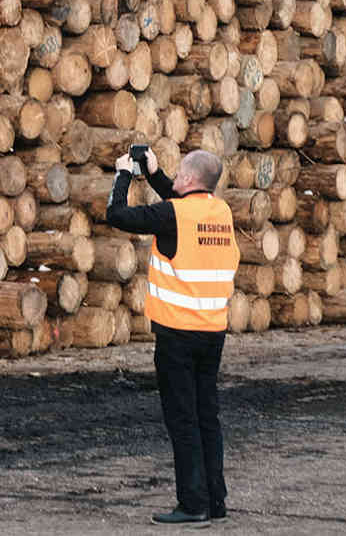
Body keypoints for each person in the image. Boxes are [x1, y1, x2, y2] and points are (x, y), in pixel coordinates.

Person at [106, 146, 240, 526]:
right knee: (206, 416)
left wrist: (123, 175)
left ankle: (192, 504)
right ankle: (215, 500)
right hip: (212, 332)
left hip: (177, 336)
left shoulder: (173, 214)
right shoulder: (220, 212)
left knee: (182, 420)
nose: (176, 179)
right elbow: (181, 208)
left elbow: (117, 214)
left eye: (180, 174)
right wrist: (155, 172)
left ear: (190, 180)